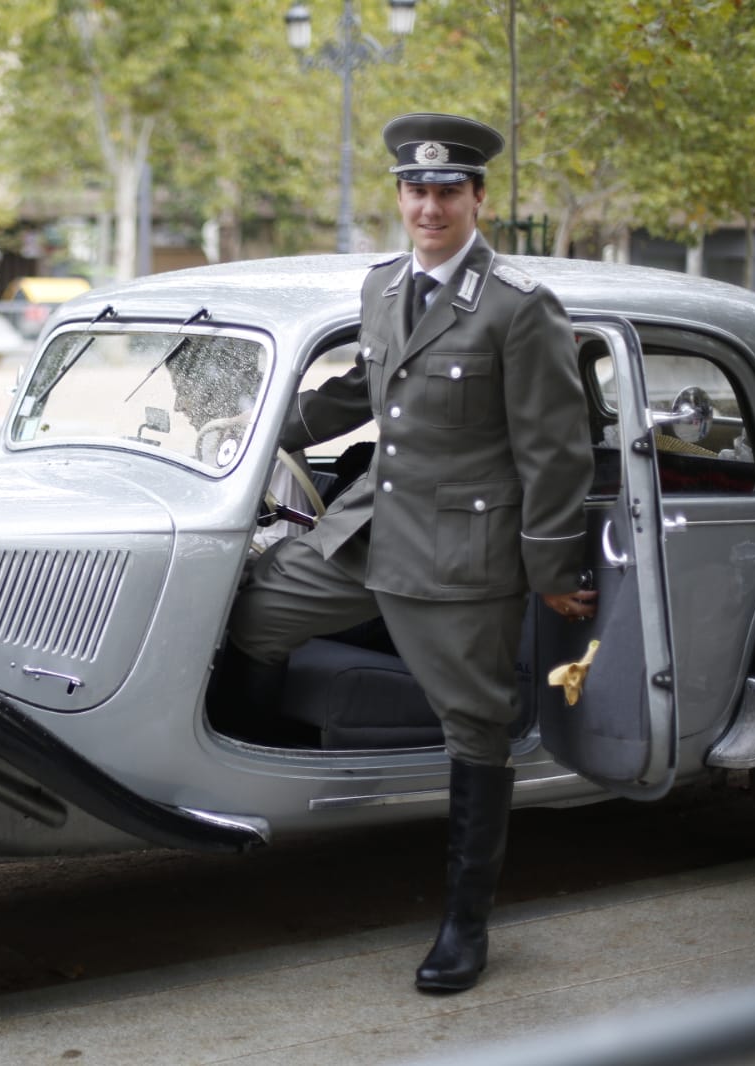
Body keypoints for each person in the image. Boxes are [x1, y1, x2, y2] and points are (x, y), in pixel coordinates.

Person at [217, 113, 597, 994]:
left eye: (446, 192)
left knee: (474, 727)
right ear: (398, 197)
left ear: (476, 199)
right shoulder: (384, 288)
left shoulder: (517, 306)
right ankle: (263, 807)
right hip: (367, 527)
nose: (429, 206)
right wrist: (250, 429)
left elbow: (555, 449)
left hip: (463, 550)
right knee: (253, 618)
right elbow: (361, 388)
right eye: (415, 191)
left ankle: (466, 923)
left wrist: (549, 572)